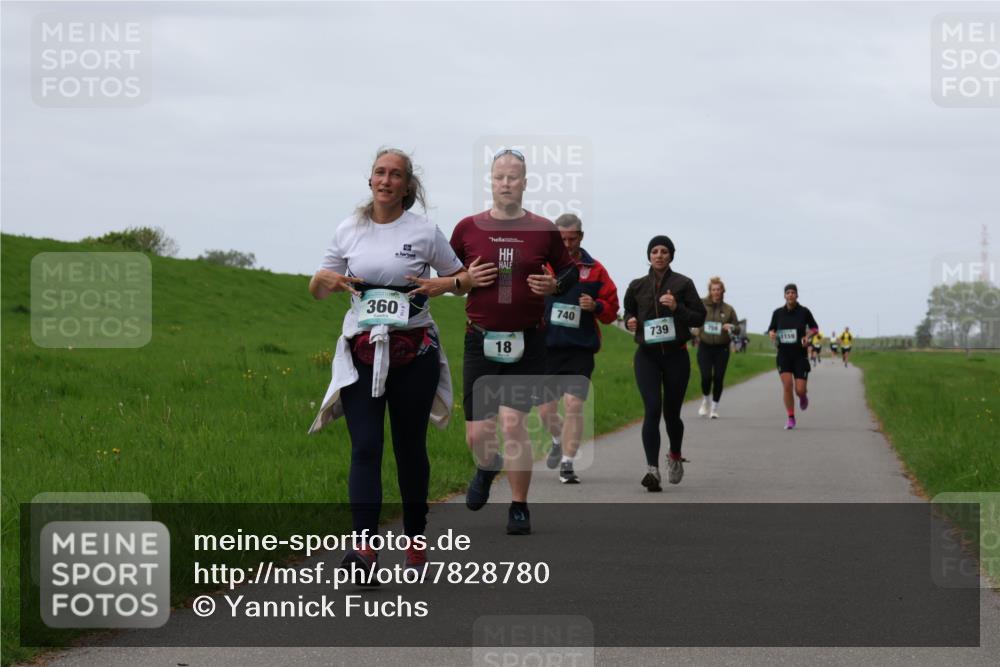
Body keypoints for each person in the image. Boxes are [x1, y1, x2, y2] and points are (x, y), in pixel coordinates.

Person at [307, 148, 473, 580]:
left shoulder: (424, 231)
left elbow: (464, 280)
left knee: (409, 450)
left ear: (407, 185)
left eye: (395, 174)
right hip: (362, 351)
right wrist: (321, 280)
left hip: (413, 353)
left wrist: (447, 283)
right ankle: (364, 552)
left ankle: (415, 542)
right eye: (380, 172)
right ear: (370, 181)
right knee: (365, 447)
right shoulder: (349, 229)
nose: (386, 180)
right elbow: (320, 289)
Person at [450, 148, 579, 534]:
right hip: (480, 340)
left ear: (525, 182)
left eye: (513, 177)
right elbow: (448, 277)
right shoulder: (467, 228)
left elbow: (571, 272)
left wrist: (555, 285)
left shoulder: (542, 229)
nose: (505, 183)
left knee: (511, 423)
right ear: (490, 181)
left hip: (527, 342)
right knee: (478, 433)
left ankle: (519, 506)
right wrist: (465, 281)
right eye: (499, 177)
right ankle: (486, 467)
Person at [537, 214, 620, 484]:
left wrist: (596, 306)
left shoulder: (595, 270)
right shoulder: (543, 266)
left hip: (580, 350)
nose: (568, 244)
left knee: (573, 405)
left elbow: (611, 311)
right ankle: (557, 440)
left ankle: (568, 464)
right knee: (546, 411)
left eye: (572, 238)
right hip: (547, 348)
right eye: (562, 239)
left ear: (581, 237)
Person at [623, 236, 706, 491]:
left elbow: (699, 318)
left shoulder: (683, 283)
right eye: (655, 251)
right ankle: (652, 470)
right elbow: (628, 311)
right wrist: (630, 322)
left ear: (671, 256)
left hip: (676, 356)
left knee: (671, 414)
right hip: (647, 356)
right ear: (649, 255)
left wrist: (677, 307)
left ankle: (675, 455)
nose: (659, 255)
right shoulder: (637, 286)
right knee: (652, 408)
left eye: (664, 251)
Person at [767, 284, 819, 430]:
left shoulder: (804, 312)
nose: (790, 295)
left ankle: (803, 396)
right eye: (788, 293)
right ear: (784, 296)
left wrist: (807, 336)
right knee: (787, 385)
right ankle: (791, 417)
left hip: (800, 355)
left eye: (793, 293)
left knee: (800, 390)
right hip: (783, 354)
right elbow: (771, 329)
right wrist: (771, 333)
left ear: (797, 295)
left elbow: (815, 328)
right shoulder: (778, 313)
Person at [694, 276, 739, 420]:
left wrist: (731, 327)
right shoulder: (701, 304)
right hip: (705, 346)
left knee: (718, 378)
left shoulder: (728, 309)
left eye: (719, 289)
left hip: (722, 348)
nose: (716, 292)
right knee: (706, 377)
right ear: (710, 291)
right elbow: (692, 316)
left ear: (723, 291)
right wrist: (695, 328)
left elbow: (738, 328)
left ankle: (714, 408)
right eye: (713, 289)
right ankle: (706, 400)